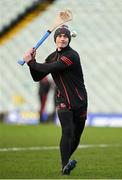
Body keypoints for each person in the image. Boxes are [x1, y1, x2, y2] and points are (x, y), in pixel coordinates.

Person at [23, 25, 88, 175]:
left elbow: (48, 68)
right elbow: (37, 76)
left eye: (65, 36)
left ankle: (65, 160)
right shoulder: (51, 57)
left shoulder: (72, 56)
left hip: (79, 99)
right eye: (60, 36)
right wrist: (32, 62)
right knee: (67, 131)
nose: (63, 38)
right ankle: (65, 166)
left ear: (69, 39)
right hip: (62, 99)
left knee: (76, 135)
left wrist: (31, 62)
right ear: (55, 39)